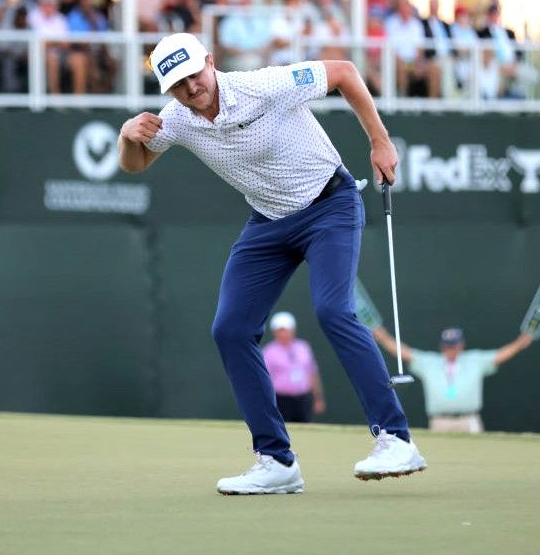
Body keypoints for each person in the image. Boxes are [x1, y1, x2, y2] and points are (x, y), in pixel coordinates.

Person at [118, 32, 425, 495]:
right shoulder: (177, 119)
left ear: (210, 61)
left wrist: (380, 142)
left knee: (332, 310)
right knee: (231, 329)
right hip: (268, 223)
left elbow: (343, 72)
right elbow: (136, 164)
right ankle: (276, 461)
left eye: (194, 75)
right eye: (177, 84)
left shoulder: (264, 84)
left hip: (329, 205)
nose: (190, 89)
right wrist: (127, 136)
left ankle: (395, 438)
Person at [383, 327, 533, 433]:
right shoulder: (429, 362)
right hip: (439, 421)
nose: (451, 349)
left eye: (454, 346)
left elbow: (500, 355)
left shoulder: (475, 360)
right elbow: (403, 352)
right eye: (448, 346)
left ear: (461, 345)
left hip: (469, 420)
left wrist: (520, 343)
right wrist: (379, 334)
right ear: (442, 346)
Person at [262, 312, 326, 423]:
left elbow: (312, 373)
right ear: (275, 332)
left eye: (286, 330)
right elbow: (264, 379)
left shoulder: (303, 347)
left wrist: (318, 398)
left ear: (293, 330)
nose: (284, 334)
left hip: (303, 398)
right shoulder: (268, 351)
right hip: (280, 400)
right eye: (280, 330)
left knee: (305, 431)